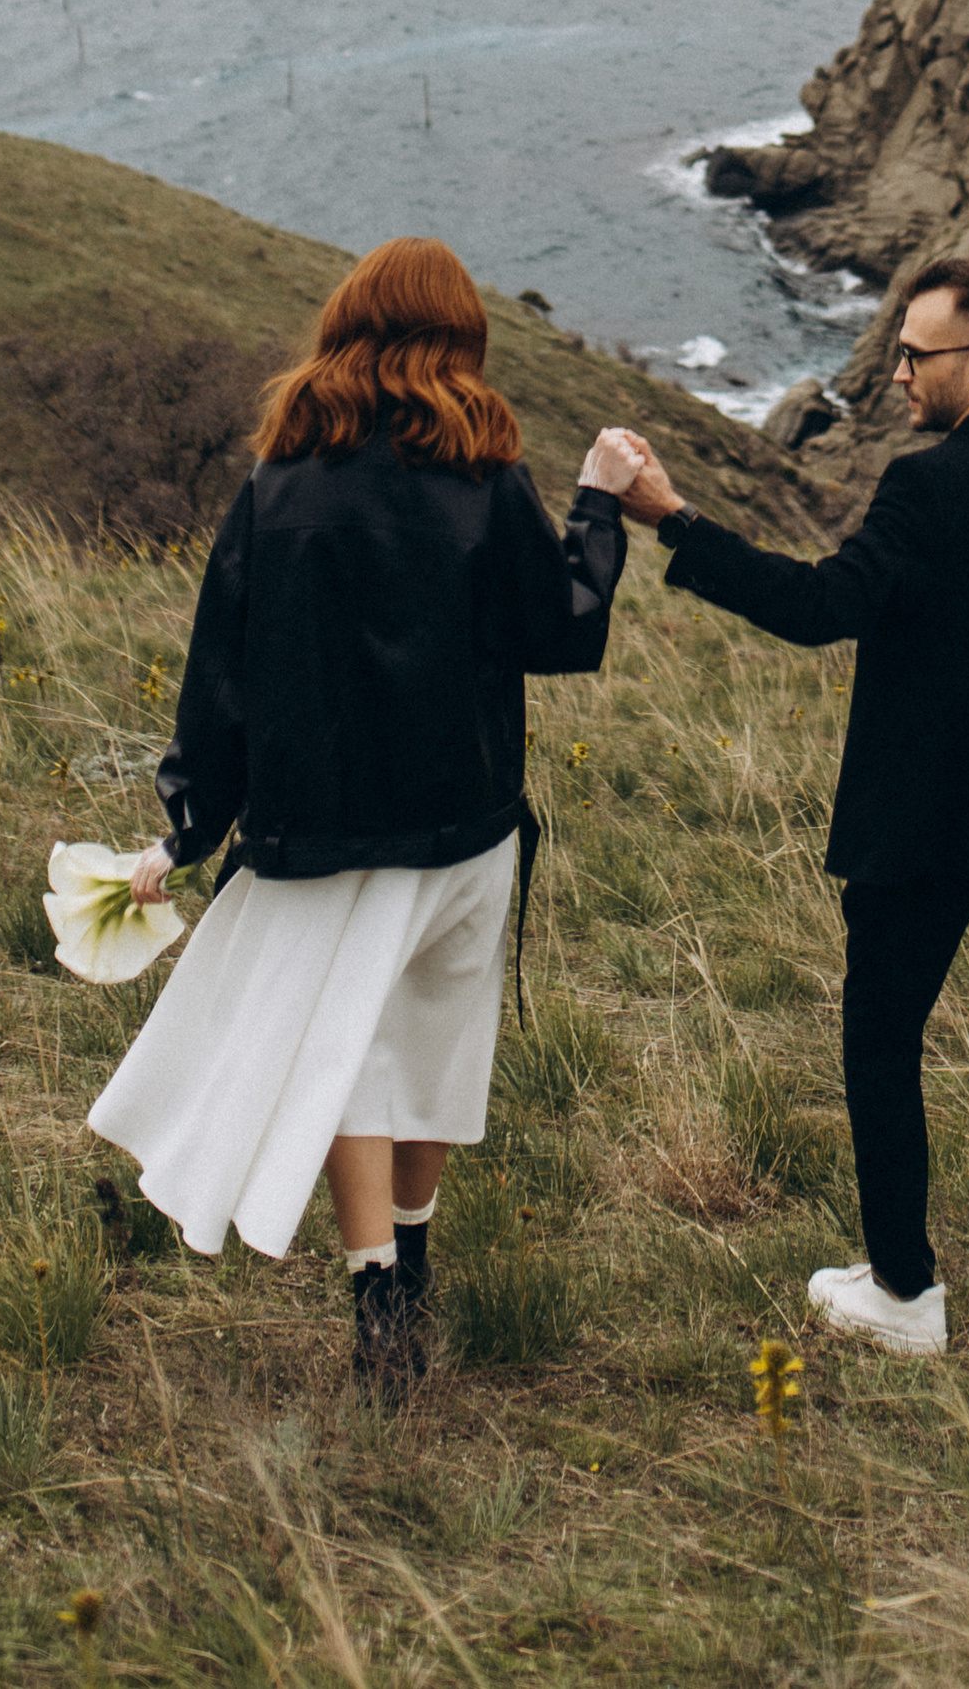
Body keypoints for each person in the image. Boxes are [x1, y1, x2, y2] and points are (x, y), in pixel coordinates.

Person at [88, 236, 635, 1397]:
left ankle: (380, 1289)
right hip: (463, 826)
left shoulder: (276, 484)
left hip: (320, 832)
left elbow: (219, 678)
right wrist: (598, 505)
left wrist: (187, 828)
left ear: (345, 328)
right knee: (432, 1052)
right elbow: (562, 631)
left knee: (351, 1062)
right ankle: (412, 1265)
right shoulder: (486, 479)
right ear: (459, 340)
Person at [590, 253, 969, 1367]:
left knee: (883, 1040)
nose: (893, 376)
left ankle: (902, 1291)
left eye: (915, 355)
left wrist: (676, 523)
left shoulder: (922, 488)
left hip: (916, 830)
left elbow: (819, 606)